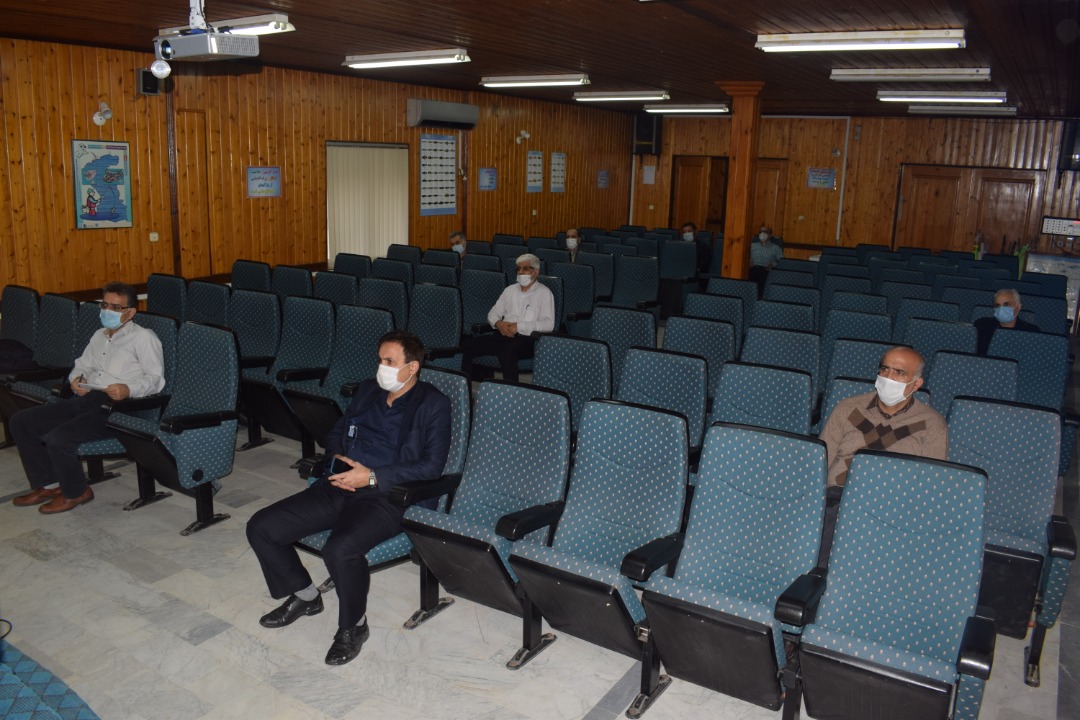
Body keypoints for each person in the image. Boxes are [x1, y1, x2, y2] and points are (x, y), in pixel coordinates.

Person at [246, 330, 451, 666]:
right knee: (262, 526)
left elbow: (431, 466)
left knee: (340, 549)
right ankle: (306, 596)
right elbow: (338, 432)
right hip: (341, 483)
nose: (381, 367)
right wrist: (337, 460)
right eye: (380, 360)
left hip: (388, 495)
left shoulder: (433, 404)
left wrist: (370, 476)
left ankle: (354, 626)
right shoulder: (369, 390)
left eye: (390, 361)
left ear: (412, 367)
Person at [10, 282, 165, 514]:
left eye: (116, 307)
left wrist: (128, 389)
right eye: (105, 305)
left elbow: (156, 379)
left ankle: (76, 491)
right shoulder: (99, 335)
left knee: (58, 438)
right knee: (21, 421)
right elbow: (81, 365)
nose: (108, 311)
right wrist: (77, 379)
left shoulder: (143, 338)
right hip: (88, 399)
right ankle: (50, 485)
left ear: (131, 312)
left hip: (120, 408)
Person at [816, 346, 947, 564]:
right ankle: (819, 576)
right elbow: (822, 460)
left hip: (893, 501)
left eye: (899, 372)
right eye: (884, 369)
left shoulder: (932, 424)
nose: (888, 377)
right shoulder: (847, 408)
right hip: (840, 494)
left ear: (916, 384)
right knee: (831, 516)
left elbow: (930, 482)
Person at [459, 253, 555, 383]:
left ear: (536, 272)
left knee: (507, 353)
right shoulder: (510, 290)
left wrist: (519, 327)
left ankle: (511, 392)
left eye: (525, 268)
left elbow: (548, 324)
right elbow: (493, 313)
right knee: (468, 345)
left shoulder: (545, 293)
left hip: (528, 339)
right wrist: (498, 323)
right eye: (518, 268)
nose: (520, 272)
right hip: (503, 334)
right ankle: (464, 388)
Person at [974, 288, 1040, 355]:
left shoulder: (1031, 332)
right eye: (997, 305)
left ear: (1018, 307)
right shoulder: (982, 326)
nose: (1001, 309)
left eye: (1006, 304)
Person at [748, 225, 783, 296]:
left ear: (770, 235)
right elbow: (743, 258)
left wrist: (773, 264)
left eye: (765, 232)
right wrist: (747, 262)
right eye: (760, 232)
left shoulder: (776, 248)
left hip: (766, 271)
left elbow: (782, 262)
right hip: (752, 270)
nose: (762, 234)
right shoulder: (751, 246)